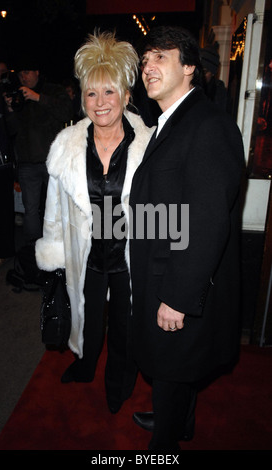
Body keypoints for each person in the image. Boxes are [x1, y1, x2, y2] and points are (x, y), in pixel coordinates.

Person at [129, 26, 244, 450]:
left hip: (179, 282)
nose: (148, 67)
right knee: (173, 370)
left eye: (160, 56)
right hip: (162, 270)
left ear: (190, 67)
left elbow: (209, 220)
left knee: (174, 367)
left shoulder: (208, 126)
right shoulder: (173, 121)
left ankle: (165, 444)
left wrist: (179, 295)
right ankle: (178, 419)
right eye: (145, 60)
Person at [35, 32, 155, 414]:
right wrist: (53, 253)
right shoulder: (66, 145)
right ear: (81, 96)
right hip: (85, 255)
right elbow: (53, 208)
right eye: (91, 93)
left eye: (109, 92)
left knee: (123, 327)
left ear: (125, 94)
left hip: (127, 256)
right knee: (85, 320)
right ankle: (85, 365)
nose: (100, 103)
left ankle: (118, 383)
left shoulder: (148, 144)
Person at [4, 60, 73, 244]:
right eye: (20, 74)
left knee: (57, 208)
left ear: (36, 72)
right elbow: (12, 130)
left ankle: (60, 248)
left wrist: (37, 97)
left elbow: (67, 112)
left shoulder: (53, 90)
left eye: (26, 72)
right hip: (27, 162)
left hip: (52, 162)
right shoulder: (19, 96)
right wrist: (10, 109)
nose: (23, 77)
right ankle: (33, 253)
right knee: (31, 210)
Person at [200, 43, 227, 110]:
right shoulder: (191, 86)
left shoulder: (219, 91)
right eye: (199, 70)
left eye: (205, 72)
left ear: (213, 73)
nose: (201, 75)